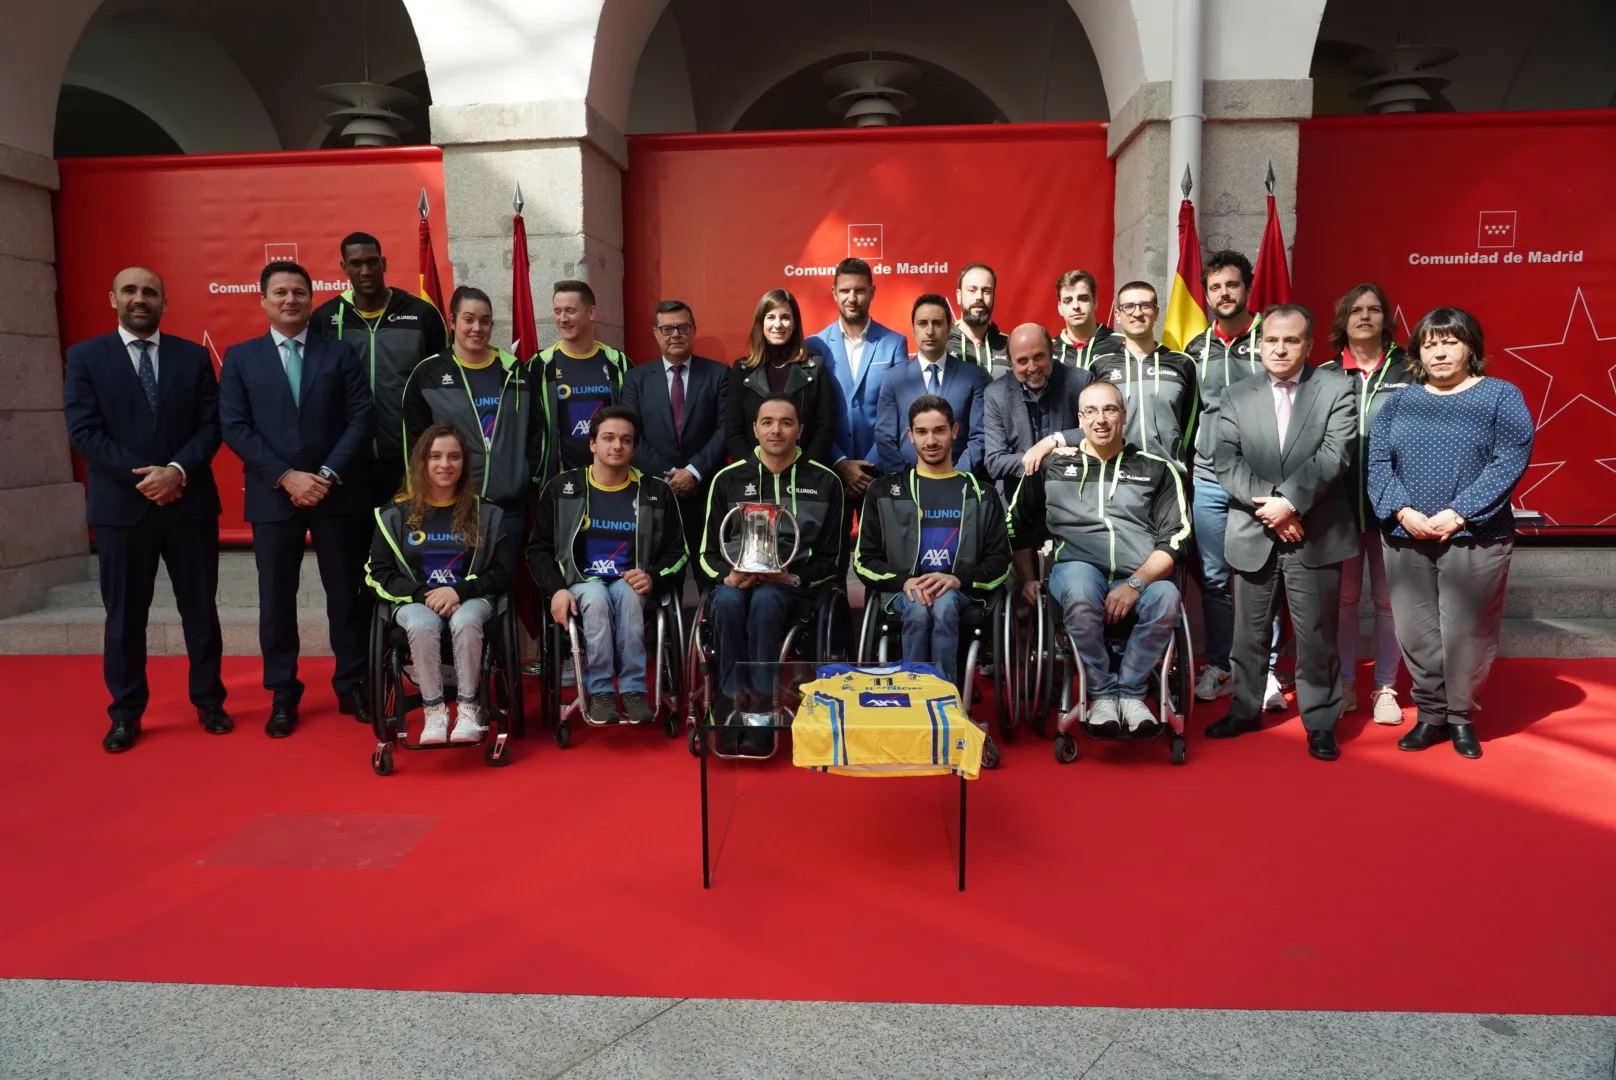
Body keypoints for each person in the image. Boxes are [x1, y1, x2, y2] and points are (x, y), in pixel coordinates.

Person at [63, 266, 229, 754]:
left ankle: (210, 702)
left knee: (200, 613)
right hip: (122, 510)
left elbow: (212, 425)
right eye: (130, 291)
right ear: (112, 298)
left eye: (150, 292)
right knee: (124, 618)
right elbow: (84, 432)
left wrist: (176, 471)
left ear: (164, 302)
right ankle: (125, 713)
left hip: (189, 505)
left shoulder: (193, 356)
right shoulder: (86, 357)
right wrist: (148, 479)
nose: (140, 298)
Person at [1370, 308, 1533, 761]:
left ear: (1470, 347)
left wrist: (1460, 513)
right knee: (1416, 631)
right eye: (1429, 344)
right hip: (1406, 533)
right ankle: (1430, 715)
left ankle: (1460, 717)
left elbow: (1510, 459)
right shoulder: (1398, 402)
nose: (1439, 352)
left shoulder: (1501, 396)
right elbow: (1377, 461)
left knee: (1467, 632)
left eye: (1450, 342)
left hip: (1476, 535)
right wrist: (1402, 510)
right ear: (1417, 353)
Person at [219, 260, 373, 737]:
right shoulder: (241, 358)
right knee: (276, 600)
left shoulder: (340, 352)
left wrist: (324, 475)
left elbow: (362, 417)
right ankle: (283, 692)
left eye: (299, 292)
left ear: (311, 299)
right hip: (273, 495)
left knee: (346, 594)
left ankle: (352, 684)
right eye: (281, 292)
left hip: (335, 493)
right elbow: (235, 426)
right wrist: (286, 477)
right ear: (263, 300)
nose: (290, 300)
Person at [1206, 304, 1357, 761]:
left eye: (1291, 340)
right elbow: (1226, 461)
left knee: (1316, 637)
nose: (1280, 348)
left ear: (1308, 345)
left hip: (1317, 532)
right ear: (1260, 344)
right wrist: (1274, 508)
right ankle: (1244, 710)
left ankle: (1321, 722)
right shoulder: (1235, 395)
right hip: (1254, 530)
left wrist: (1289, 503)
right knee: (1247, 635)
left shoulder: (1336, 387)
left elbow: (1334, 455)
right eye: (1271, 339)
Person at [1008, 381, 1190, 734]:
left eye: (1109, 410)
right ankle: (1102, 693)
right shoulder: (1053, 465)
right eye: (1091, 411)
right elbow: (1018, 524)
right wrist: (1028, 578)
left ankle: (1132, 693)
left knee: (1168, 597)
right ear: (1080, 419)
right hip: (1075, 570)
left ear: (1124, 415)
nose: (1100, 419)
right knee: (1079, 587)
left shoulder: (1157, 469)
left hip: (1139, 576)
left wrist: (1134, 585)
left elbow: (1176, 538)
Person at [701, 394, 844, 754]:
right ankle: (733, 705)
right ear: (754, 429)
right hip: (737, 584)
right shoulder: (727, 479)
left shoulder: (825, 481)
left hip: (793, 589)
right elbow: (707, 554)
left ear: (800, 430)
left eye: (785, 422)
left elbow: (832, 560)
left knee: (766, 600)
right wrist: (727, 577)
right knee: (728, 601)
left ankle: (762, 713)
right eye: (767, 422)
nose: (776, 430)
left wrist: (793, 578)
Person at [528, 407, 688, 725]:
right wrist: (556, 589)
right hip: (581, 582)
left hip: (632, 581)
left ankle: (633, 691)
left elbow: (678, 552)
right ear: (592, 444)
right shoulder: (562, 489)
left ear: (634, 447)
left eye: (626, 440)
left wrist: (653, 577)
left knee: (628, 594)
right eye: (608, 438)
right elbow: (538, 550)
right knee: (596, 596)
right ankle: (600, 691)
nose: (617, 445)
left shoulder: (655, 492)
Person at [366, 425, 511, 744]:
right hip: (416, 601)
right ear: (422, 462)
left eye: (453, 457)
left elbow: (503, 571)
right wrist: (422, 594)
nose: (445, 464)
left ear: (464, 463)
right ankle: (434, 712)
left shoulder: (487, 513)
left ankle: (469, 708)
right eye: (435, 456)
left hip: (471, 598)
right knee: (421, 624)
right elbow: (378, 572)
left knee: (466, 621)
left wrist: (459, 591)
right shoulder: (394, 515)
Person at [855, 395, 1010, 674]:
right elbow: (864, 560)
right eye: (922, 432)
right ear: (910, 435)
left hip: (961, 591)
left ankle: (943, 693)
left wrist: (958, 579)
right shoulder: (883, 491)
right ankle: (917, 691)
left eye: (939, 430)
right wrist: (905, 581)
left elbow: (1000, 561)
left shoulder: (982, 493)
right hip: (903, 592)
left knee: (945, 602)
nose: (931, 441)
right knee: (917, 604)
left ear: (954, 431)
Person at [1319, 283, 1416, 725]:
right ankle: (1344, 685)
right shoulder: (1324, 373)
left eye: (1373, 309)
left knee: (1387, 601)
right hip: (1337, 508)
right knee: (1342, 601)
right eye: (1355, 309)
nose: (1364, 316)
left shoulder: (1409, 370)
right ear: (1343, 319)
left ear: (1385, 318)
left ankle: (1386, 687)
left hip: (1392, 506)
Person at [401, 286, 541, 571]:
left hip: (507, 508)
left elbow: (537, 435)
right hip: (450, 508)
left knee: (502, 587)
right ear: (452, 322)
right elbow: (414, 445)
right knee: (454, 585)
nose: (477, 328)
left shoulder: (515, 372)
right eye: (469, 319)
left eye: (485, 321)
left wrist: (525, 478)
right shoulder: (428, 374)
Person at [1181, 251, 1268, 704]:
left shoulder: (1271, 339)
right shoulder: (1195, 349)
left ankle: (1264, 669)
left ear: (1247, 288)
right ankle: (1219, 666)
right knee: (1215, 578)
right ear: (1207, 295)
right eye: (1215, 287)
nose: (1224, 294)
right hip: (1209, 478)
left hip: (1261, 479)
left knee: (1262, 575)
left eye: (1232, 285)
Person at [312, 231, 447, 505]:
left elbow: (444, 388)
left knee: (407, 532)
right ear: (343, 268)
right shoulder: (325, 319)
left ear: (383, 263)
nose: (365, 271)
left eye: (372, 261)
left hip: (408, 458)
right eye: (356, 264)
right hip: (347, 461)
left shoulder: (422, 315)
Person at [1019, 281, 1199, 482]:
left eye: (1145, 306)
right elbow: (1089, 421)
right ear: (1118, 315)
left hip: (1170, 476)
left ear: (1156, 312)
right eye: (1128, 306)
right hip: (1115, 476)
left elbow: (1190, 428)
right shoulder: (1101, 365)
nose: (1137, 313)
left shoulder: (1183, 363)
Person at [621, 300, 728, 559]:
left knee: (709, 568)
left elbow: (725, 429)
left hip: (704, 489)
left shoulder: (719, 374)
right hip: (655, 492)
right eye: (667, 329)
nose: (675, 334)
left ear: (694, 330)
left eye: (683, 327)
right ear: (656, 333)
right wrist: (669, 478)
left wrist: (693, 472)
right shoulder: (636, 379)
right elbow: (631, 435)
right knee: (659, 570)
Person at [809, 257, 908, 503]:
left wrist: (868, 468)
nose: (852, 298)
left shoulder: (894, 344)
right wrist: (841, 463)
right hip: (831, 473)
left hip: (879, 473)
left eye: (859, 290)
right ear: (834, 293)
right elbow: (811, 413)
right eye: (845, 291)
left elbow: (900, 409)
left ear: (872, 292)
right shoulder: (814, 345)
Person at [873, 294, 989, 475]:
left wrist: (955, 477)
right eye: (922, 323)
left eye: (937, 323)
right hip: (907, 483)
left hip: (959, 482)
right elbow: (885, 438)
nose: (930, 331)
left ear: (949, 329)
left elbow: (980, 436)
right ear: (913, 329)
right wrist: (907, 480)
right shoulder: (894, 379)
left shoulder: (973, 377)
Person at [723, 288, 838, 465]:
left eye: (785, 317)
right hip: (754, 474)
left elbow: (824, 427)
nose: (778, 324)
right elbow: (733, 430)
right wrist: (753, 469)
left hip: (803, 473)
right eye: (771, 317)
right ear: (761, 323)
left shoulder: (815, 367)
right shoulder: (742, 369)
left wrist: (805, 469)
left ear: (794, 323)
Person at [534, 279, 632, 479]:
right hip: (561, 481)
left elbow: (633, 422)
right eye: (557, 311)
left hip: (612, 479)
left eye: (570, 311)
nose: (563, 319)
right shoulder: (541, 365)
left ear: (591, 313)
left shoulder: (618, 363)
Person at [981, 322, 1092, 484]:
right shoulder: (995, 394)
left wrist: (1053, 440)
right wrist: (1046, 456)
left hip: (1070, 486)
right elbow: (995, 462)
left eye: (1038, 357)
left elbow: (1094, 432)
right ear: (1010, 361)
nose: (1032, 367)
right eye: (1022, 361)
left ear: (1052, 351)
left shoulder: (1081, 382)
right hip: (1019, 491)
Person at [947, 264, 1010, 379]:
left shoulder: (1010, 346)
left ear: (993, 296)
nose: (979, 297)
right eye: (972, 290)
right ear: (959, 296)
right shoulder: (942, 346)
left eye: (986, 291)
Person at [1052, 269, 1122, 369]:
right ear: (1060, 308)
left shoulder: (1121, 345)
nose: (1075, 306)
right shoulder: (1048, 351)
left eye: (1083, 299)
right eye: (1068, 301)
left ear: (1095, 302)